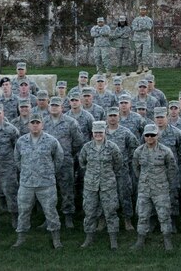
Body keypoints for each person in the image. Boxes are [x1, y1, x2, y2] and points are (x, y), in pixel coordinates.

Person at [12, 113, 64, 249]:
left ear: (42, 124)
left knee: (51, 212)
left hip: (46, 184)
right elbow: (17, 160)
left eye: (37, 122)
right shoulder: (21, 141)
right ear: (28, 125)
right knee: (23, 211)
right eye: (32, 123)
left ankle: (56, 240)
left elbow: (59, 159)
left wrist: (49, 172)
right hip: (26, 184)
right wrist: (26, 172)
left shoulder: (51, 141)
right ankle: (21, 238)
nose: (35, 125)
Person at [132, 124, 177, 251]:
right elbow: (136, 168)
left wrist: (163, 182)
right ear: (144, 136)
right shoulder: (139, 151)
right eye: (147, 135)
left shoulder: (165, 151)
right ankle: (140, 240)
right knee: (142, 215)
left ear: (158, 135)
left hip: (161, 189)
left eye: (153, 135)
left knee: (164, 215)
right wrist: (143, 179)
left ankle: (167, 240)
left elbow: (172, 169)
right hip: (144, 189)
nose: (150, 137)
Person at [79, 120, 122, 250]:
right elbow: (82, 163)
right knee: (90, 212)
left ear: (105, 132)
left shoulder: (112, 147)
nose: (98, 134)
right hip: (90, 185)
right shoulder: (86, 147)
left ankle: (113, 240)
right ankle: (89, 238)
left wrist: (107, 175)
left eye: (100, 132)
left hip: (108, 185)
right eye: (96, 132)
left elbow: (118, 164)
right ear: (92, 133)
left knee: (111, 212)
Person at [43, 97, 84, 229]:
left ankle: (68, 216)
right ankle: (48, 217)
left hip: (65, 161)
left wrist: (68, 153)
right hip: (47, 162)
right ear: (49, 107)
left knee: (67, 189)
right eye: (52, 105)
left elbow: (78, 142)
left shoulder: (71, 122)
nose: (54, 107)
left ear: (62, 107)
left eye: (57, 105)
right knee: (47, 190)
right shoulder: (43, 122)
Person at [132, 6, 154, 73]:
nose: (143, 11)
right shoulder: (136, 19)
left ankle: (145, 66)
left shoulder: (149, 19)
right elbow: (134, 28)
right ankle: (139, 67)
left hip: (146, 39)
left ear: (146, 11)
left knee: (145, 54)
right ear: (139, 11)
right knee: (138, 54)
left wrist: (140, 27)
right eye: (141, 10)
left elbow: (149, 27)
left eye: (144, 10)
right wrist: (143, 28)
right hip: (138, 39)